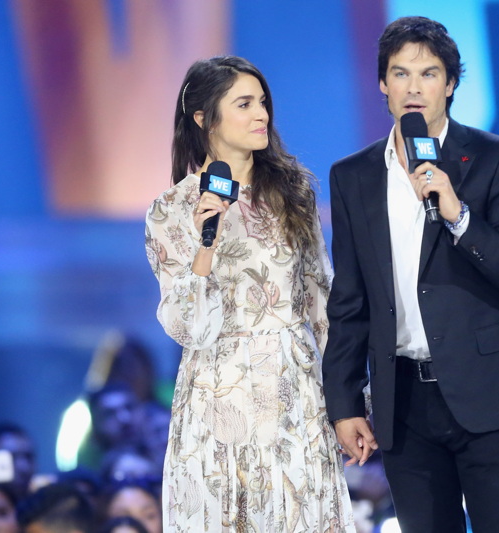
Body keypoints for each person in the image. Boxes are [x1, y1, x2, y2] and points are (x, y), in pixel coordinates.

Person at [322, 16, 499, 532]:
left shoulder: (497, 158)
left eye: (428, 74)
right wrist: (345, 404)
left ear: (450, 84)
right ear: (383, 84)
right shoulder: (352, 176)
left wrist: (458, 215)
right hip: (403, 404)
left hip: (487, 393)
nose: (413, 88)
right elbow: (349, 299)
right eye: (400, 74)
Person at [145, 55, 353, 531]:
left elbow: (322, 302)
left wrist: (348, 402)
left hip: (294, 391)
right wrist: (206, 245)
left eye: (262, 102)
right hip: (217, 395)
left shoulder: (293, 193)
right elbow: (185, 327)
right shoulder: (170, 209)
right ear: (204, 119)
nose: (262, 114)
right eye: (244, 104)